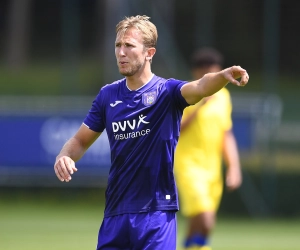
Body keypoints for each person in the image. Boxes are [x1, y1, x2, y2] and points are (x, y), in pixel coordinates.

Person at [53, 16, 249, 250]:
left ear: (149, 52)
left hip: (156, 214)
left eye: (129, 46)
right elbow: (79, 140)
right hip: (116, 213)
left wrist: (222, 76)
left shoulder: (167, 92)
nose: (121, 53)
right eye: (118, 46)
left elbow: (199, 86)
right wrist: (64, 155)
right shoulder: (107, 96)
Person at [174, 47, 243, 250]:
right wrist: (201, 104)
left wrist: (234, 167)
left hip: (212, 169)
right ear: (197, 73)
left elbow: (226, 133)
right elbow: (175, 129)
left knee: (202, 225)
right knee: (205, 219)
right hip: (188, 166)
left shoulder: (224, 97)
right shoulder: (187, 94)